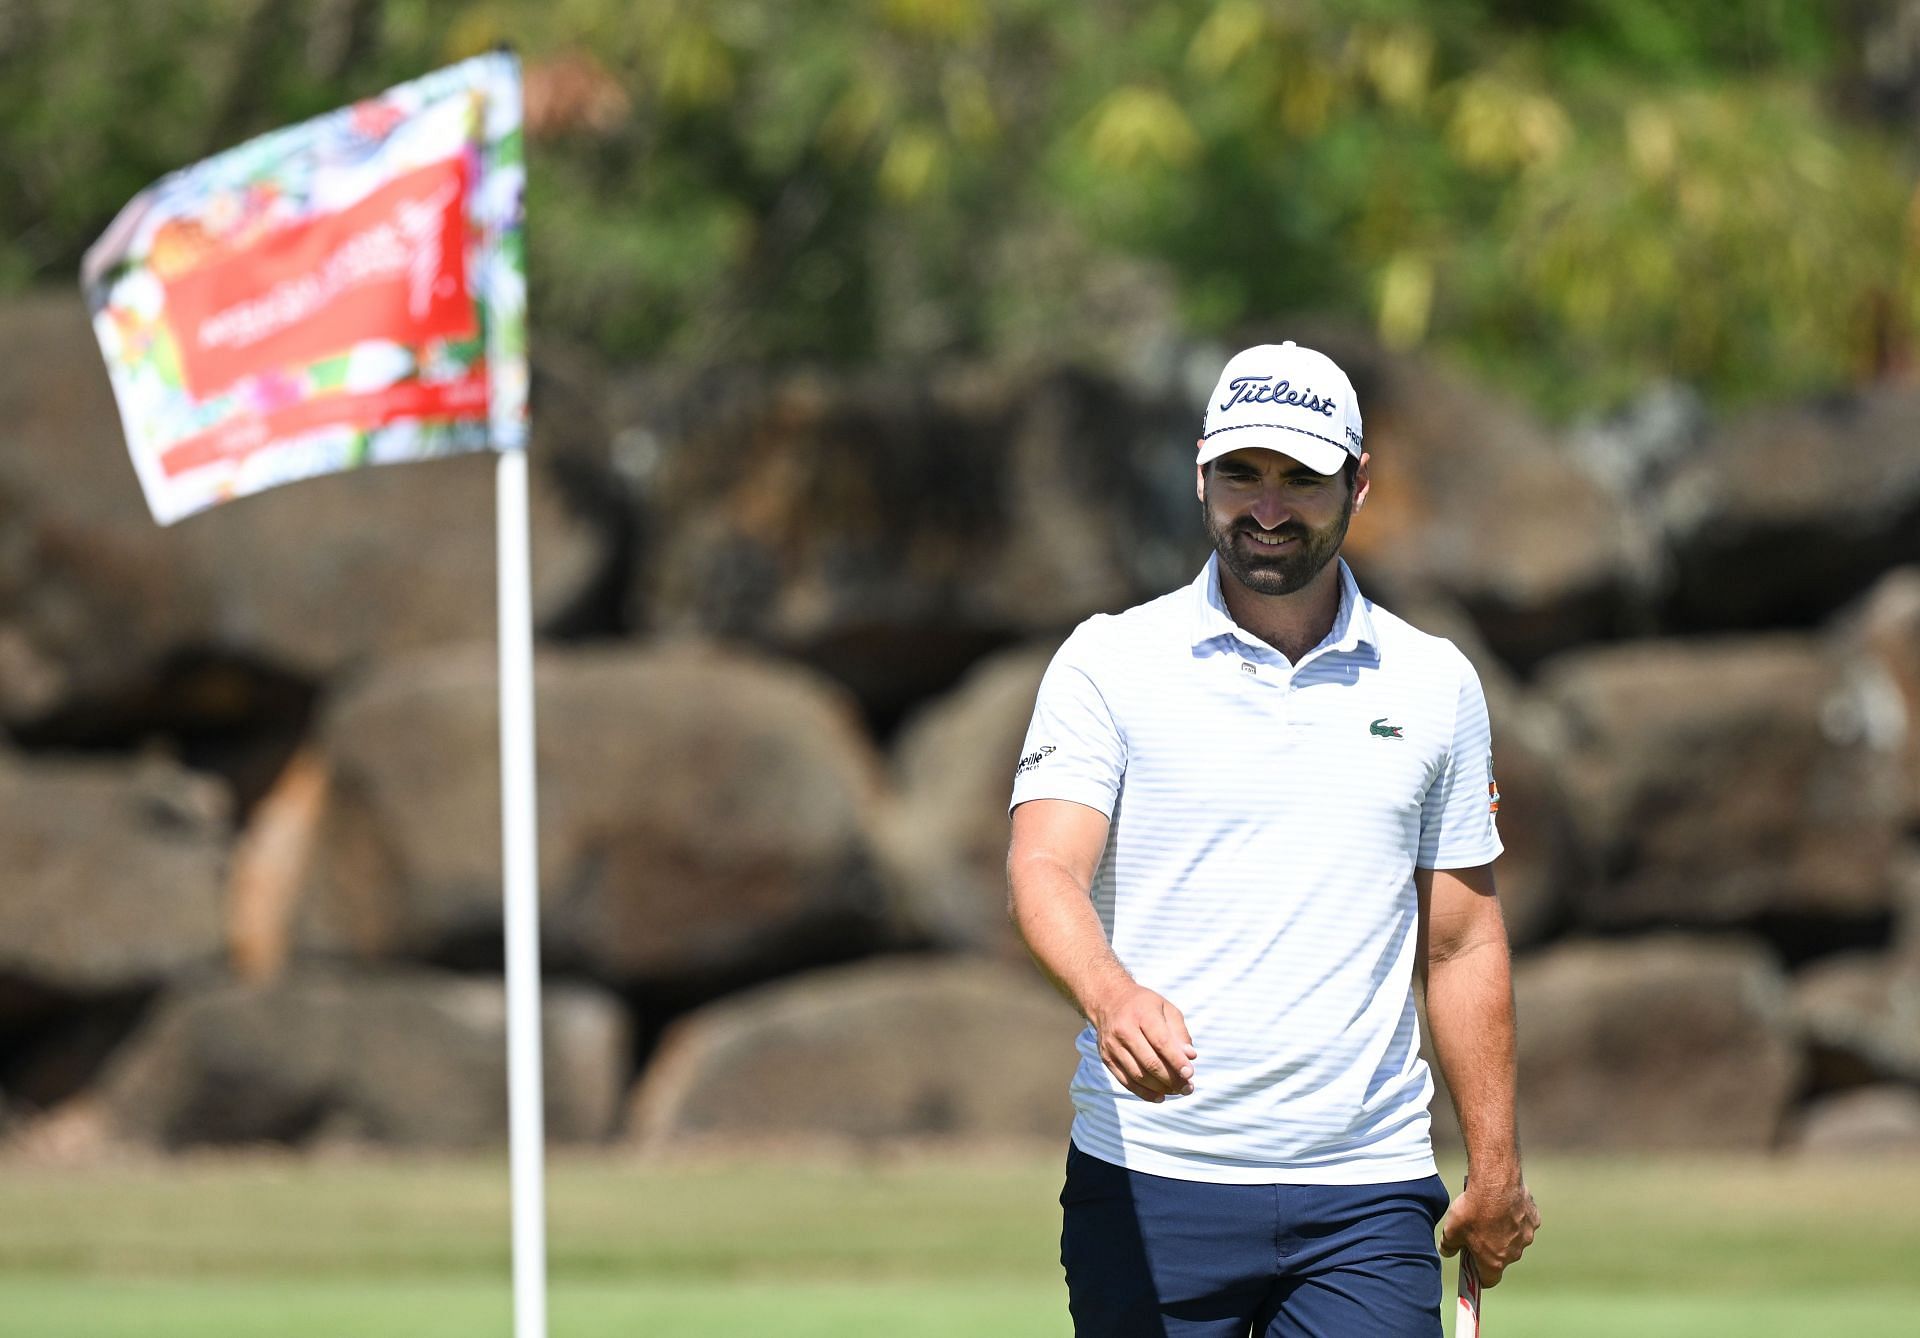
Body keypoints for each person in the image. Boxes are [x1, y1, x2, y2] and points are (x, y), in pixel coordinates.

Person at [1006, 341, 1539, 1336]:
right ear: (1200, 472)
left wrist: (1496, 1159)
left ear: (1359, 484)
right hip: (1152, 1181)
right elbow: (1043, 868)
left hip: (1367, 1191)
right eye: (1243, 474)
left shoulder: (1435, 684)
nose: (1267, 506)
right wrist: (1110, 994)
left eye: (1302, 478)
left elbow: (1462, 940)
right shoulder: (1109, 664)